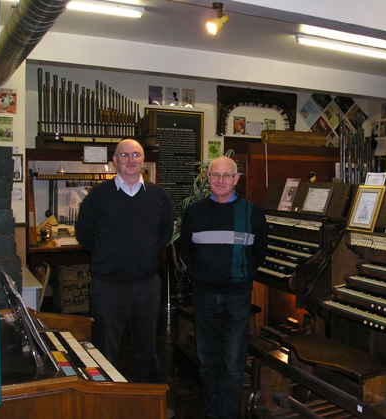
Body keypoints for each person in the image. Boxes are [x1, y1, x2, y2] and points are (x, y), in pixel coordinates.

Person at [76, 139, 174, 383]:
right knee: (104, 353)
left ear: (143, 160)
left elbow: (165, 232)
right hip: (108, 287)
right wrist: (108, 253)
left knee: (147, 352)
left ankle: (147, 399)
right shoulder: (98, 196)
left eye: (136, 155)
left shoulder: (158, 196)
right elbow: (84, 233)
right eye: (124, 155)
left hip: (146, 286)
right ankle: (106, 399)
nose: (131, 160)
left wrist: (144, 252)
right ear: (114, 161)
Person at [180, 156, 268, 419]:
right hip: (204, 296)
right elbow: (185, 251)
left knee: (232, 362)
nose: (220, 180)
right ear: (207, 178)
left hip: (237, 297)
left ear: (236, 179)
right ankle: (213, 412)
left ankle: (229, 414)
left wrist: (240, 277)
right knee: (207, 360)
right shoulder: (194, 213)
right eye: (215, 175)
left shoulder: (252, 213)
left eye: (226, 175)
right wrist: (202, 276)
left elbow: (259, 253)